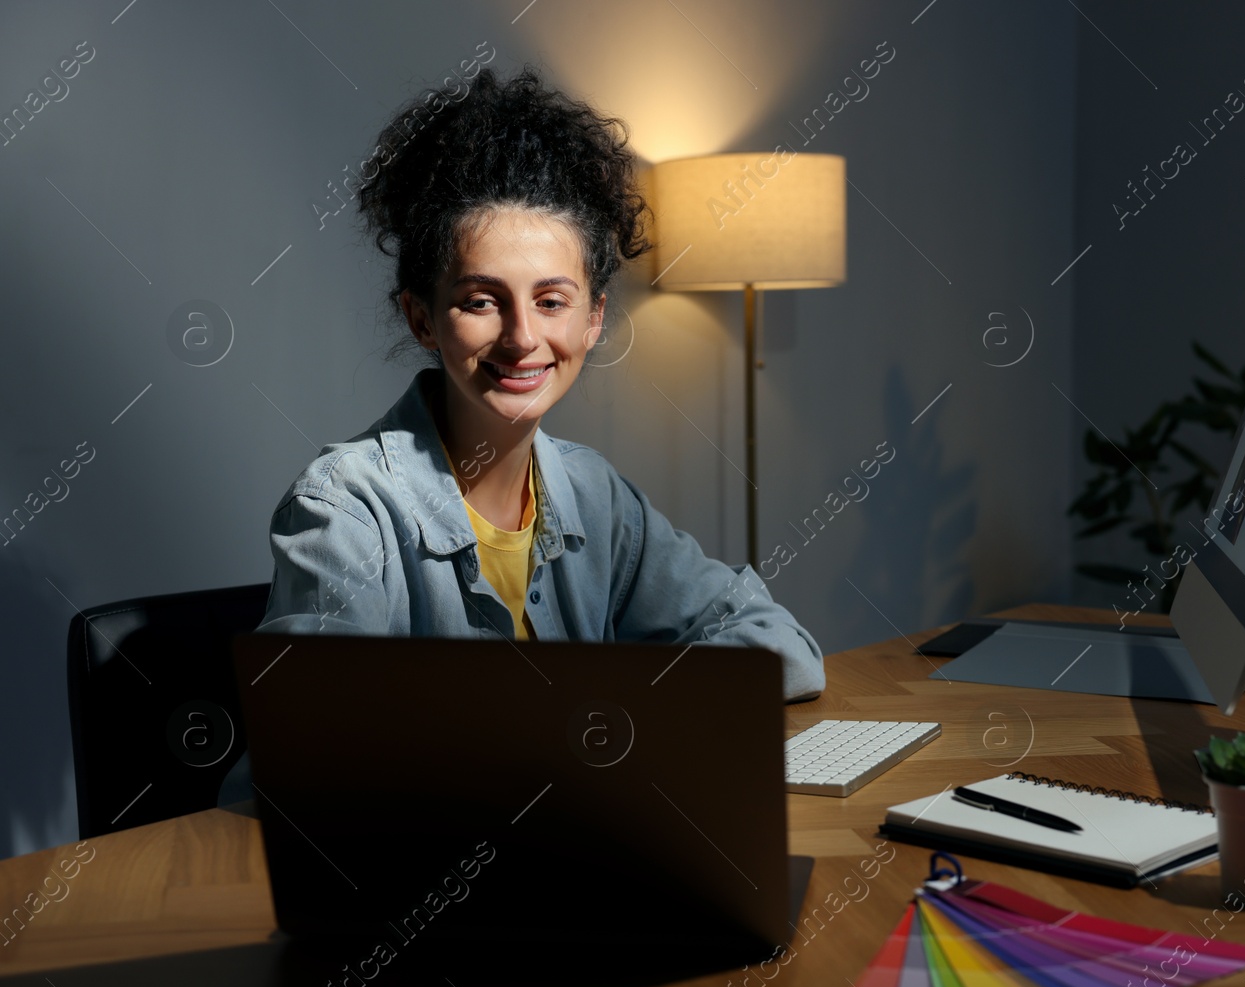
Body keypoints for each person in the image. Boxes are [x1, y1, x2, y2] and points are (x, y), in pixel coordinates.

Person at [218, 67, 824, 804]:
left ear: (594, 317)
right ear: (421, 317)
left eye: (551, 300)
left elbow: (781, 648)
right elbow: (312, 757)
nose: (523, 338)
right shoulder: (344, 510)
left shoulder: (595, 496)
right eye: (481, 301)